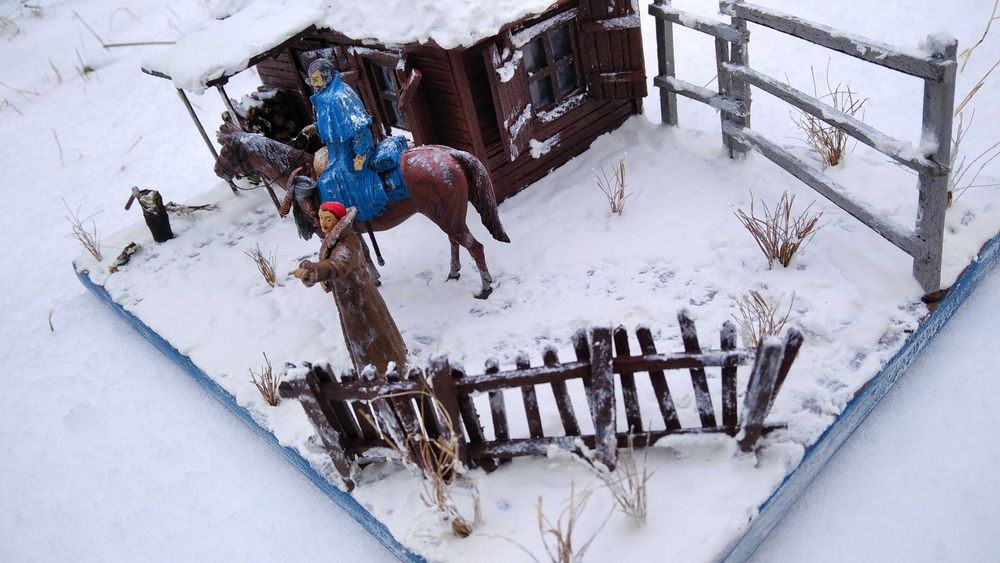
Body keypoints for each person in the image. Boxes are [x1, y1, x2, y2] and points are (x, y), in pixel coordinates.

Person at [291, 201, 406, 375]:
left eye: (328, 219)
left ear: (338, 220)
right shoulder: (337, 239)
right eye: (321, 218)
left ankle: (381, 370)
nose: (323, 223)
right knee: (366, 337)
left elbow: (337, 265)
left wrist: (312, 271)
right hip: (353, 298)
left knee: (371, 338)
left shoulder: (347, 244)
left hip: (360, 302)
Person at [306, 59, 388, 222]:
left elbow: (359, 128)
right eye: (312, 79)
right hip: (335, 149)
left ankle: (363, 211)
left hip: (351, 148)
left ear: (326, 76)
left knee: (332, 179)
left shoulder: (340, 96)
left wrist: (361, 154)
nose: (314, 83)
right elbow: (332, 121)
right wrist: (316, 127)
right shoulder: (324, 96)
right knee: (325, 176)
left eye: (316, 78)